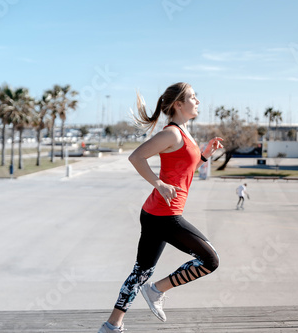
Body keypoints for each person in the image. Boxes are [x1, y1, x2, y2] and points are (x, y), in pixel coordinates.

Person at [97, 82, 223, 333]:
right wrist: (159, 183)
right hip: (165, 215)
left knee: (141, 271)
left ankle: (112, 326)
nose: (198, 101)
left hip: (156, 213)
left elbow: (184, 170)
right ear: (178, 104)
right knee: (210, 260)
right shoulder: (172, 134)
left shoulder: (183, 132)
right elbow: (136, 157)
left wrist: (205, 155)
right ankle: (157, 290)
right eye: (193, 97)